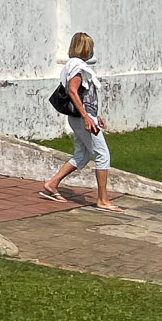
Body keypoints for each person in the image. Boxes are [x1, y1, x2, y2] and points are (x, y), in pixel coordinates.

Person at [40, 31, 120, 210]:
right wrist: (86, 116)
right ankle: (103, 199)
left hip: (82, 117)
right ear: (85, 48)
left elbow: (84, 95)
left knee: (82, 156)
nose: (92, 51)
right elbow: (73, 92)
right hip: (82, 118)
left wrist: (93, 114)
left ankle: (52, 184)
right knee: (102, 154)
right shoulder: (77, 66)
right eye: (90, 47)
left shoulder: (75, 65)